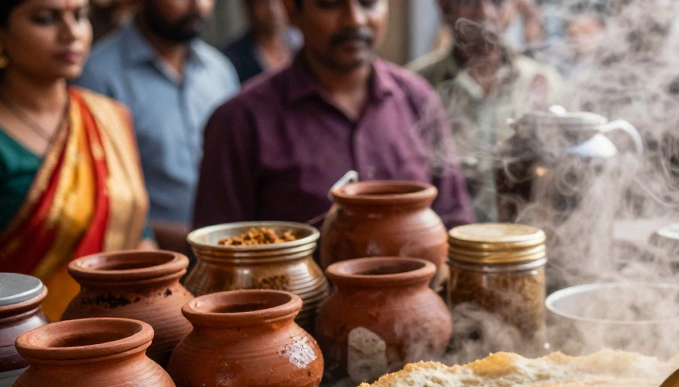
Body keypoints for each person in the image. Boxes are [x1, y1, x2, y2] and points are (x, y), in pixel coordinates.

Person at [193, 0, 472, 230]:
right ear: (292, 11)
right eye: (331, 4)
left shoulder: (418, 100)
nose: (354, 20)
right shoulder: (240, 122)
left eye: (369, 3)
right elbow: (216, 258)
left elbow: (454, 219)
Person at [0, 0, 149, 319]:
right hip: (17, 345)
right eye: (45, 19)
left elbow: (140, 237)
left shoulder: (109, 118)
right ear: (0, 34)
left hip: (123, 334)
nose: (71, 33)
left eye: (79, 16)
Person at [76, 0, 238, 252]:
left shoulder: (218, 70)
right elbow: (92, 200)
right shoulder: (96, 77)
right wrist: (193, 241)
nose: (198, 6)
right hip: (143, 260)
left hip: (226, 253)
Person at [407, 0, 564, 222]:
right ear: (444, 5)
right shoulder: (414, 88)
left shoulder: (544, 84)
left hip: (525, 247)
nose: (483, 13)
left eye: (498, 2)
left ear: (516, 7)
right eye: (468, 1)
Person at [222, 0, 300, 85]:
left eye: (279, 2)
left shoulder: (301, 43)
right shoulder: (232, 60)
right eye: (263, 3)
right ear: (248, 7)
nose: (272, 9)